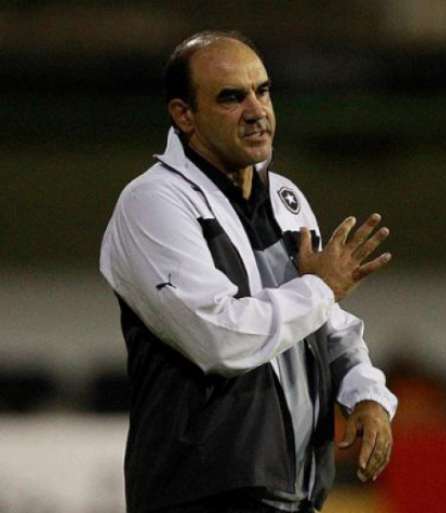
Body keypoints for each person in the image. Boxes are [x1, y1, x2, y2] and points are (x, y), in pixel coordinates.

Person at [99, 30, 397, 513]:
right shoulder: (154, 202)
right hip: (205, 494)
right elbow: (217, 337)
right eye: (232, 97)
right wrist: (321, 286)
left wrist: (366, 394)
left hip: (294, 492)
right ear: (184, 115)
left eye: (263, 90)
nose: (257, 109)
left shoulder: (286, 199)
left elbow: (325, 323)